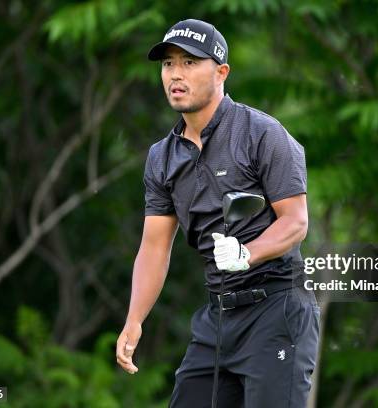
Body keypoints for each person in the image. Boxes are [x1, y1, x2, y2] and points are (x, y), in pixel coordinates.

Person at [116, 18, 320, 407]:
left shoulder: (262, 132)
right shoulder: (162, 157)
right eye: (168, 64)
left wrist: (248, 254)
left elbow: (296, 222)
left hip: (276, 310)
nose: (176, 74)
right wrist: (134, 319)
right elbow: (155, 247)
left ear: (221, 71)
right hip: (218, 317)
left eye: (190, 63)